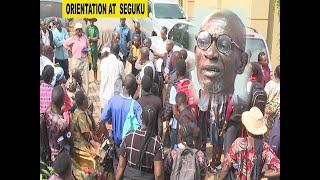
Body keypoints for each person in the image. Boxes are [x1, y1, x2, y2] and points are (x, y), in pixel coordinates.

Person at [194, 10, 247, 172]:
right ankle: (213, 162)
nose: (210, 53)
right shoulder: (201, 92)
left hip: (222, 126)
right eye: (203, 41)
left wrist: (223, 125)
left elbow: (230, 113)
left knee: (218, 144)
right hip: (211, 125)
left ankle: (218, 163)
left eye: (224, 45)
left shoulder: (236, 99)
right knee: (214, 142)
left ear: (242, 63)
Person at [220, 107, 280, 180]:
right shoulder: (265, 148)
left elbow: (226, 166)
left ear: (247, 128)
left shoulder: (238, 143)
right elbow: (278, 169)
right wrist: (262, 174)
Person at [100, 74, 142, 173]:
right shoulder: (136, 106)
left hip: (117, 145)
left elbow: (101, 122)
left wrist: (110, 139)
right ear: (134, 88)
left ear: (123, 85)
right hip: (130, 148)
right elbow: (142, 127)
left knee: (117, 170)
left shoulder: (113, 100)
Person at [115, 105, 164, 180]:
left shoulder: (129, 136)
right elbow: (158, 174)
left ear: (141, 117)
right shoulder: (156, 142)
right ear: (155, 120)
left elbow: (121, 166)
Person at [71, 90, 101, 179]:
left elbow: (92, 128)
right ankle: (92, 176)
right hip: (79, 144)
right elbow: (87, 136)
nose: (88, 100)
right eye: (87, 98)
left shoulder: (81, 110)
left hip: (82, 140)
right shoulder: (80, 115)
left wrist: (90, 114)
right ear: (84, 101)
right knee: (96, 158)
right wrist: (97, 144)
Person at [166, 59, 188, 149]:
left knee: (175, 150)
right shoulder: (190, 84)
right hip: (189, 123)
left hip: (177, 125)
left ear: (177, 71)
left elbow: (174, 112)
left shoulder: (175, 87)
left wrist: (167, 119)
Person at [63, 23, 90, 94]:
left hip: (84, 60)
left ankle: (85, 94)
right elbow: (65, 43)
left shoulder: (84, 37)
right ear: (75, 31)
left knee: (85, 78)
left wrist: (86, 49)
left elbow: (88, 46)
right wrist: (70, 49)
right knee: (75, 77)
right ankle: (75, 93)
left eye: (80, 29)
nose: (79, 31)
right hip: (76, 60)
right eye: (78, 30)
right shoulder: (73, 38)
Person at [45, 85, 69, 161]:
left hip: (51, 149)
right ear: (63, 101)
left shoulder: (47, 111)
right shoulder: (62, 123)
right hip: (60, 155)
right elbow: (69, 138)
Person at [99, 42, 125, 111]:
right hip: (114, 96)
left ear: (110, 51)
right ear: (118, 52)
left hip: (103, 95)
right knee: (114, 118)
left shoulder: (103, 61)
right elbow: (124, 80)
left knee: (103, 116)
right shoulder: (119, 64)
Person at [263, 65, 280, 142]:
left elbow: (264, 98)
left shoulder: (270, 85)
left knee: (267, 134)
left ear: (275, 73)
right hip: (278, 114)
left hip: (269, 114)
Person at [86, 18, 100, 83]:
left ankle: (95, 79)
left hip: (94, 49)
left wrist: (91, 38)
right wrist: (91, 39)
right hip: (88, 49)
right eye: (90, 20)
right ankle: (87, 80)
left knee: (95, 63)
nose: (91, 21)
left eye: (92, 20)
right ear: (89, 21)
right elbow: (86, 38)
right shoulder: (87, 28)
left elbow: (97, 38)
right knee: (88, 64)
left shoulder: (96, 28)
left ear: (94, 21)